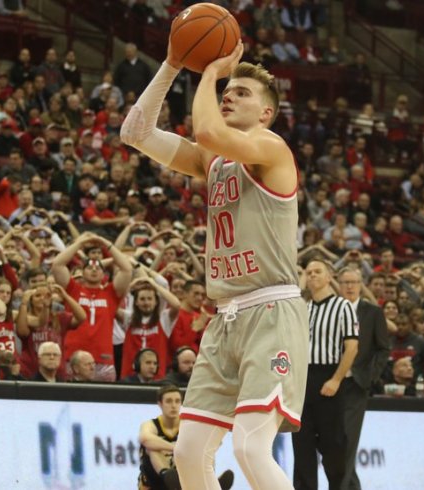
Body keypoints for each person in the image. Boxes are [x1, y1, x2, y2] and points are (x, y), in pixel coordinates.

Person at [122, 37, 307, 490]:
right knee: (187, 452)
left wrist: (208, 73)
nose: (229, 95)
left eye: (242, 93)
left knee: (249, 448)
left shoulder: (271, 147)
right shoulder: (214, 158)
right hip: (224, 319)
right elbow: (135, 133)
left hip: (271, 311)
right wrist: (170, 64)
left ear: (266, 112)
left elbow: (206, 132)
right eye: (228, 91)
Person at [294, 260, 359, 490]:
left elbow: (352, 348)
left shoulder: (343, 306)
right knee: (301, 446)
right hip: (303, 380)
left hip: (329, 377)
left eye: (317, 271)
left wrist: (336, 379)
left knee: (333, 447)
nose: (312, 276)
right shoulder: (303, 307)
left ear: (329, 276)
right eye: (308, 272)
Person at [52, 234, 133, 381]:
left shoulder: (111, 293)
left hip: (103, 361)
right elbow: (57, 264)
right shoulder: (72, 289)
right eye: (89, 267)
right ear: (82, 272)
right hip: (73, 358)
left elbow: (127, 269)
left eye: (98, 268)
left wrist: (105, 242)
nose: (94, 270)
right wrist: (80, 243)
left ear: (104, 274)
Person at [336, 267, 389, 490]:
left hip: (357, 384)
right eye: (346, 282)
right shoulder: (333, 310)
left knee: (347, 441)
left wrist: (370, 375)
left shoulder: (373, 312)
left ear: (361, 285)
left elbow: (383, 348)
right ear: (339, 285)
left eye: (354, 282)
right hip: (331, 383)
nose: (349, 286)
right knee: (335, 442)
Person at [138, 384, 236, 490]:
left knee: (202, 448)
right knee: (151, 448)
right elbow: (145, 438)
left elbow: (209, 443)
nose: (173, 405)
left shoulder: (187, 424)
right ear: (160, 404)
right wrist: (176, 448)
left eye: (177, 401)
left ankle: (208, 482)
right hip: (155, 482)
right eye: (169, 401)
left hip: (181, 478)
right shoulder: (150, 424)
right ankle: (167, 475)